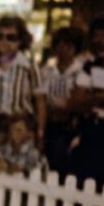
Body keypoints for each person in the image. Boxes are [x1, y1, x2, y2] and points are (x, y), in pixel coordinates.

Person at [41, 27, 85, 175]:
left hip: (69, 123)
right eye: (59, 45)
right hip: (49, 120)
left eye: (67, 45)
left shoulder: (80, 70)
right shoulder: (47, 70)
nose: (63, 49)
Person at [70, 16, 104, 187]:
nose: (100, 41)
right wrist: (99, 97)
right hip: (93, 129)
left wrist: (92, 96)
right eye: (97, 36)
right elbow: (76, 101)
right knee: (88, 183)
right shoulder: (89, 66)